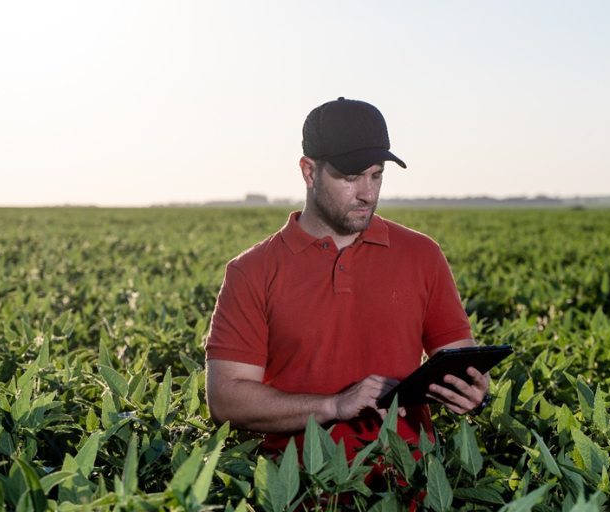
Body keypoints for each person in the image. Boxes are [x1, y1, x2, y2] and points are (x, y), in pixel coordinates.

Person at [205, 97, 490, 459]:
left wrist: (474, 392)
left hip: (408, 489)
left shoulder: (422, 254)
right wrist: (333, 405)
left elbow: (458, 361)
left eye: (376, 175)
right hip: (299, 492)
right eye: (351, 177)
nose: (367, 194)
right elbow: (226, 401)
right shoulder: (251, 271)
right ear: (309, 172)